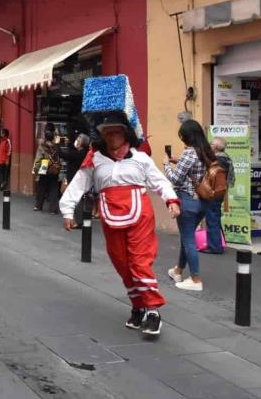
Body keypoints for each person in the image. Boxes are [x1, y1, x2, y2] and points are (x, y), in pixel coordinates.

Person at [60, 114, 180, 336]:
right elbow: (79, 183)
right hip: (110, 216)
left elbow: (159, 181)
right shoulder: (94, 160)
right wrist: (67, 209)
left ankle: (152, 311)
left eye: (116, 132)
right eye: (108, 132)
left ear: (125, 134)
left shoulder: (141, 158)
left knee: (139, 261)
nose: (112, 136)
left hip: (140, 214)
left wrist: (171, 200)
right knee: (122, 263)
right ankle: (138, 306)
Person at [165, 120, 215, 290]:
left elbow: (175, 179)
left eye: (183, 137)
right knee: (187, 238)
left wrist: (166, 164)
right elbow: (197, 169)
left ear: (188, 137)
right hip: (203, 201)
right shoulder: (206, 151)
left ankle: (195, 279)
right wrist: (177, 160)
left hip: (187, 201)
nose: (182, 140)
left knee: (188, 240)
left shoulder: (189, 153)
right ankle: (178, 270)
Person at [204, 137, 235, 254]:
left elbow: (210, 174)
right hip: (220, 192)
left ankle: (215, 247)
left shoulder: (218, 160)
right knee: (215, 217)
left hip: (214, 192)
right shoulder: (226, 158)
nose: (210, 146)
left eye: (211, 144)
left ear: (216, 147)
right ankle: (219, 243)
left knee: (212, 218)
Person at [58, 133, 91, 228]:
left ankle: (79, 221)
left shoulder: (80, 153)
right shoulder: (83, 152)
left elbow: (63, 155)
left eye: (79, 139)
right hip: (77, 178)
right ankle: (79, 219)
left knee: (76, 199)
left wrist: (57, 144)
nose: (77, 140)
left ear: (82, 143)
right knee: (77, 198)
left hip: (75, 178)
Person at [33, 129, 61, 214]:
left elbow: (38, 158)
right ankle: (53, 209)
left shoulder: (42, 146)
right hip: (54, 167)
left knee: (41, 186)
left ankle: (38, 205)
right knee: (54, 188)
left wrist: (35, 170)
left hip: (44, 165)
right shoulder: (56, 146)